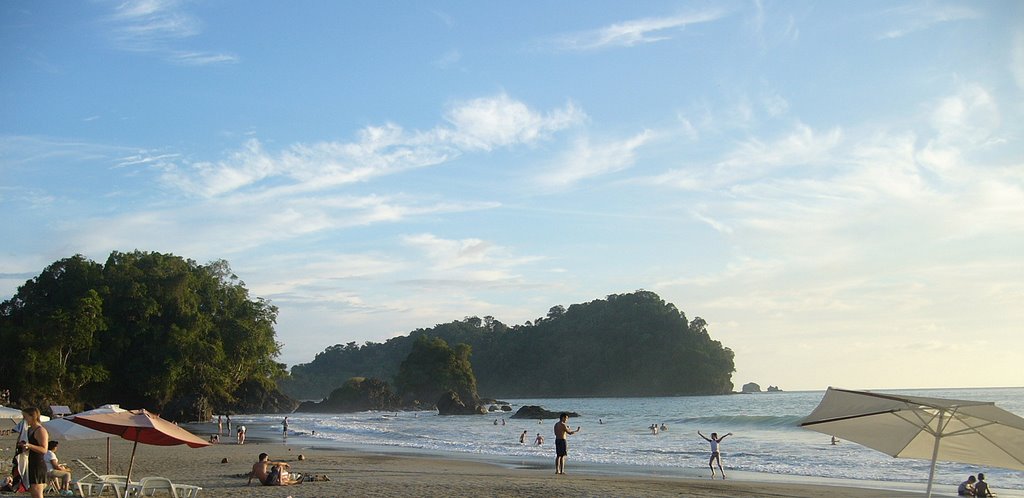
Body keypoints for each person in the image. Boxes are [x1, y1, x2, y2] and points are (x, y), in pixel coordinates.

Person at [18, 407, 48, 498]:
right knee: (32, 491)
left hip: (37, 464)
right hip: (30, 462)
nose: (24, 419)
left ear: (32, 416)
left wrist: (29, 445)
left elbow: (44, 449)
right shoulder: (29, 430)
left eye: (25, 416)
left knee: (37, 493)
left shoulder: (40, 430)